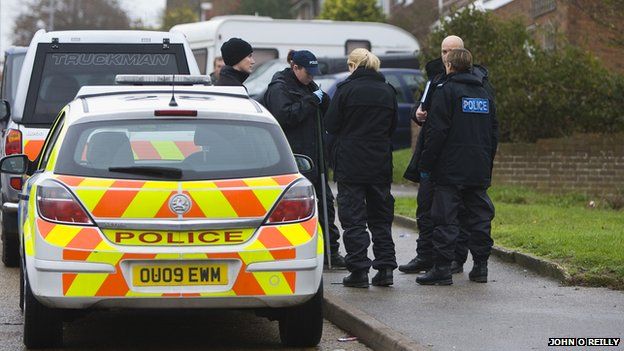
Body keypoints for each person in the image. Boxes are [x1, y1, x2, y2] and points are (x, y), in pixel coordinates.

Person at [416, 48, 498, 286]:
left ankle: (442, 269)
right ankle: (480, 267)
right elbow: (494, 130)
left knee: (445, 218)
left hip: (450, 168)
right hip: (478, 166)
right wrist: (487, 160)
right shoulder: (485, 92)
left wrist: (427, 164)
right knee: (480, 218)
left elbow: (437, 131)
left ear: (450, 67)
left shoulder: (446, 91)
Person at [262, 50, 346, 268]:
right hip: (295, 159)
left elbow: (324, 113)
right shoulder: (280, 88)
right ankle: (297, 252)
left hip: (315, 158)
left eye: (313, 73)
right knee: (298, 210)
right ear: (295, 68)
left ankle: (331, 252)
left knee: (326, 205)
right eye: (308, 73)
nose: (312, 77)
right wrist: (310, 101)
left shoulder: (309, 86)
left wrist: (322, 99)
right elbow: (285, 116)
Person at [324, 48, 398, 288]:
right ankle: (385, 268)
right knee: (381, 218)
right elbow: (392, 126)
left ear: (352, 66)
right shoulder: (388, 91)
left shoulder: (346, 90)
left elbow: (331, 124)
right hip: (379, 163)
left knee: (354, 219)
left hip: (351, 164)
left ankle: (359, 271)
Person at [400, 35, 471, 275]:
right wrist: (416, 114)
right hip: (431, 153)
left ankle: (454, 259)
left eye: (451, 52)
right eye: (443, 51)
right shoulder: (435, 79)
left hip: (453, 158)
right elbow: (422, 106)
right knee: (425, 208)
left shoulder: (472, 82)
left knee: (454, 212)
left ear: (461, 54)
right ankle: (425, 256)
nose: (446, 57)